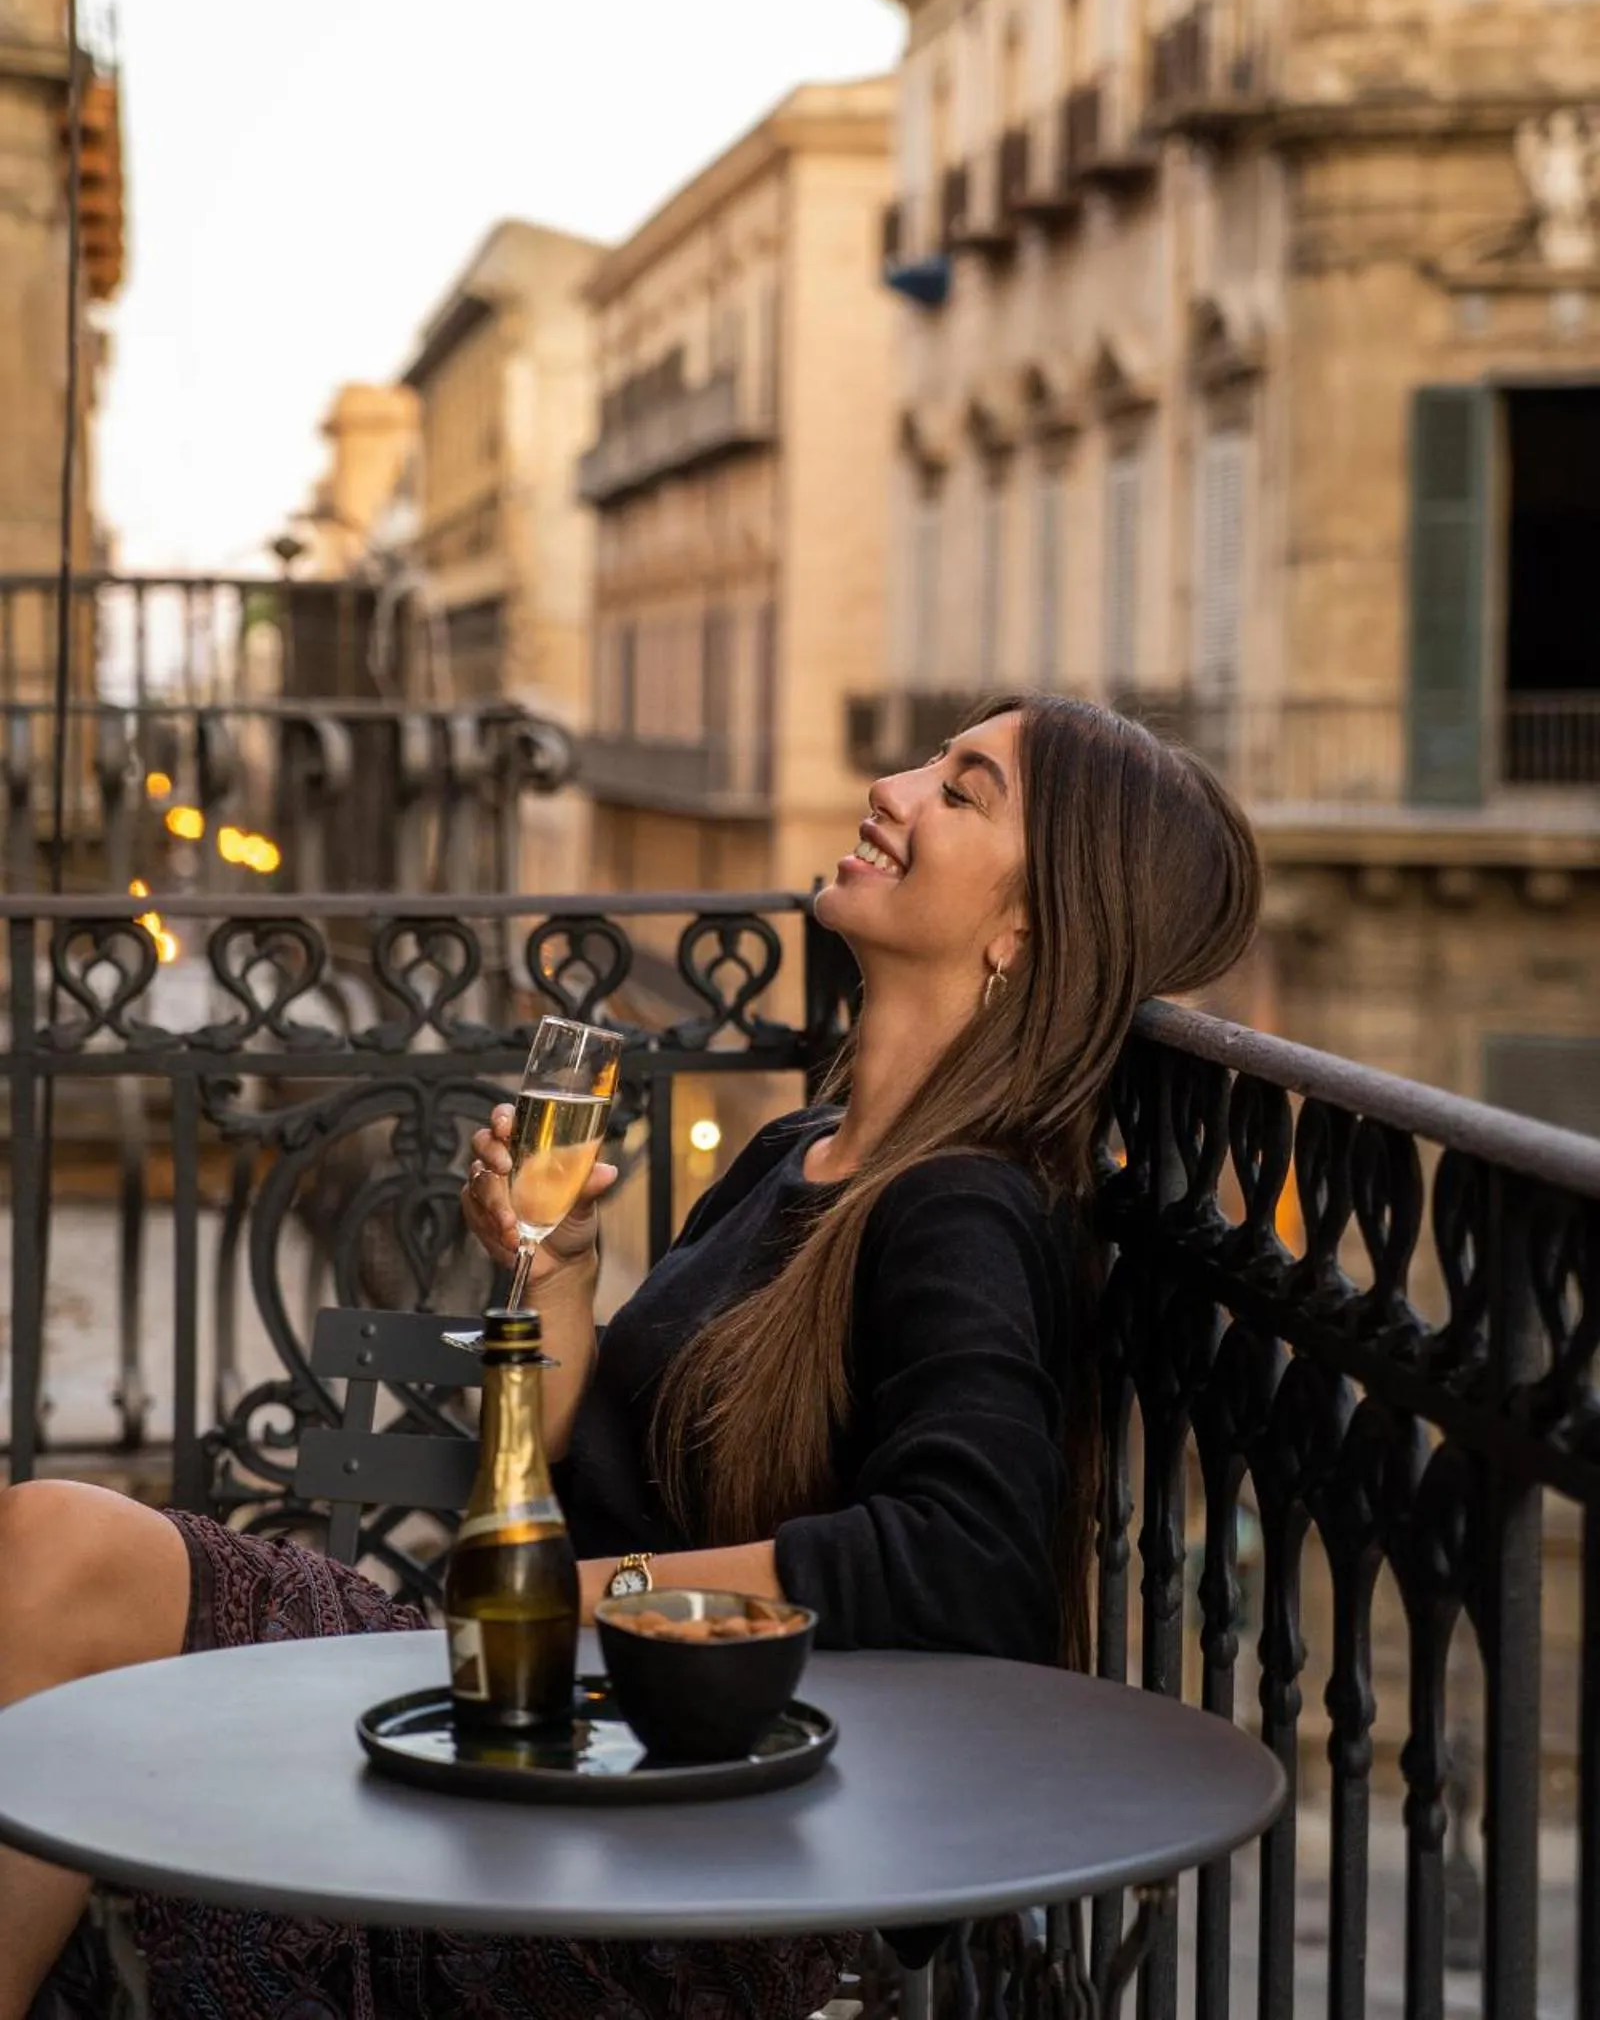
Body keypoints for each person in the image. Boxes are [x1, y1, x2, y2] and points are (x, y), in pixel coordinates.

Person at [0, 695, 1260, 2020]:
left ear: (1025, 928)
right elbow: (563, 1446)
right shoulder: (799, 1154)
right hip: (548, 1721)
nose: (887, 786)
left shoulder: (962, 1206)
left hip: (665, 1831)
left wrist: (588, 1599)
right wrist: (558, 1262)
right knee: (52, 1570)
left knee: (55, 1565)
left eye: (963, 791)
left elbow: (968, 1568)